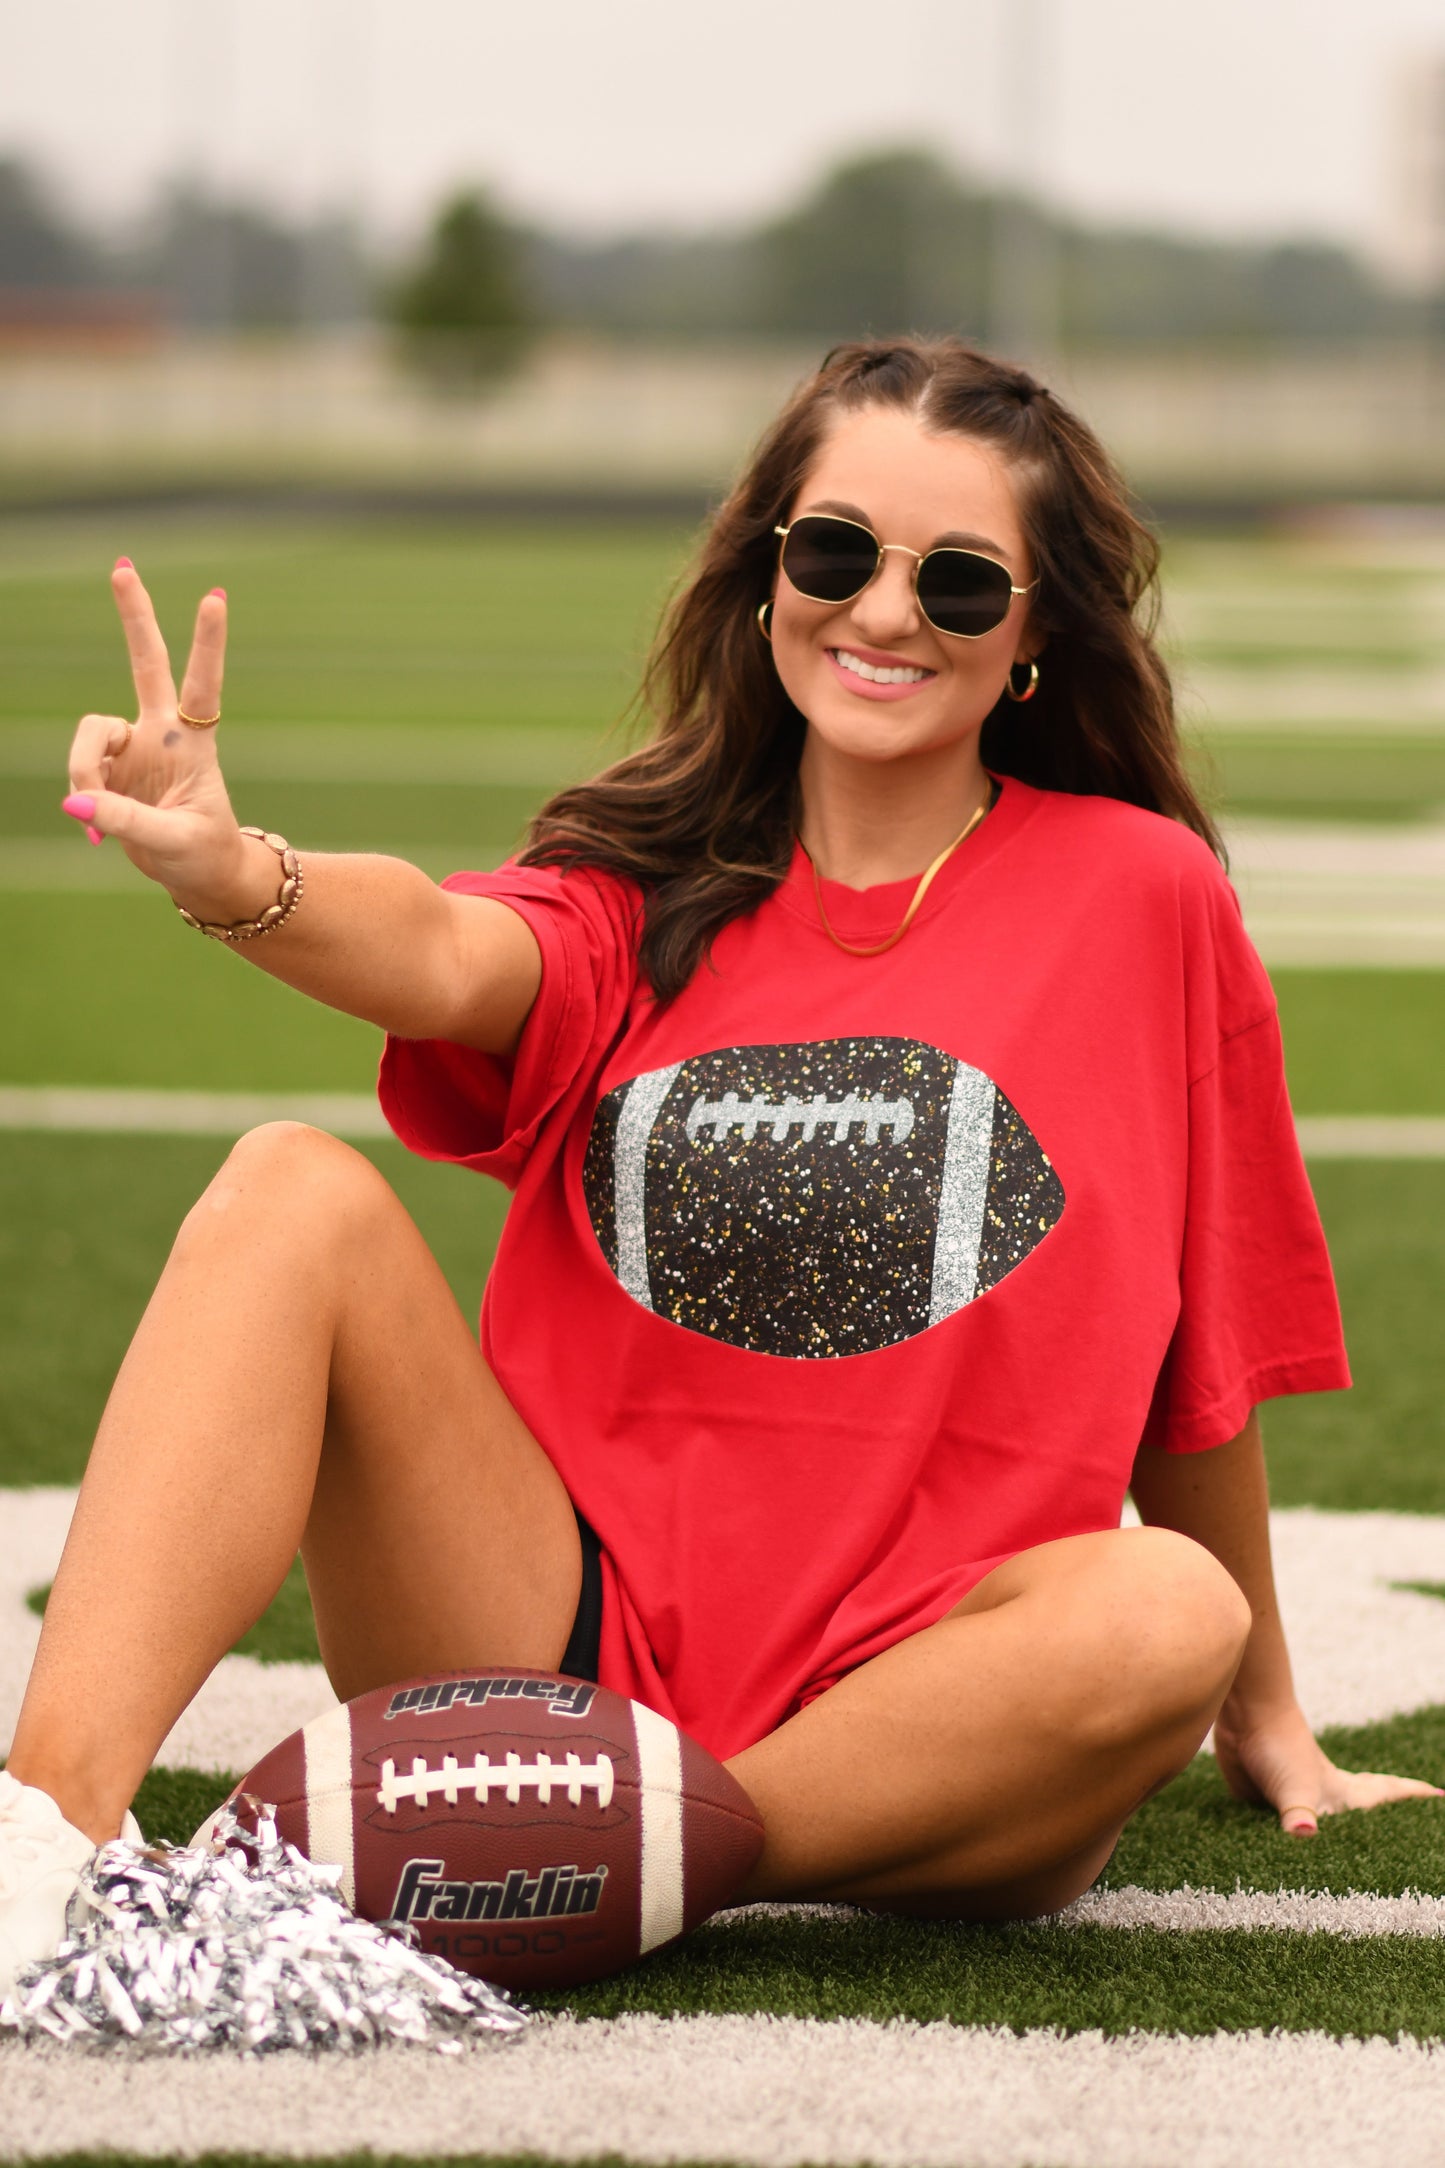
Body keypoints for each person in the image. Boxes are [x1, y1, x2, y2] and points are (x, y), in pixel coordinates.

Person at [1, 338, 1435, 1993]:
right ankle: (49, 1843)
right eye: (835, 554)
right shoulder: (642, 874)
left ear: (1036, 637)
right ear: (766, 576)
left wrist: (1264, 1718)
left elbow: (1202, 1346)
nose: (884, 614)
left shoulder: (1144, 898)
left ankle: (597, 1857)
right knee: (286, 1190)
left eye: (959, 583)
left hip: (935, 1717)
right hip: (550, 1662)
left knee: (1170, 1614)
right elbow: (447, 957)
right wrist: (240, 866)